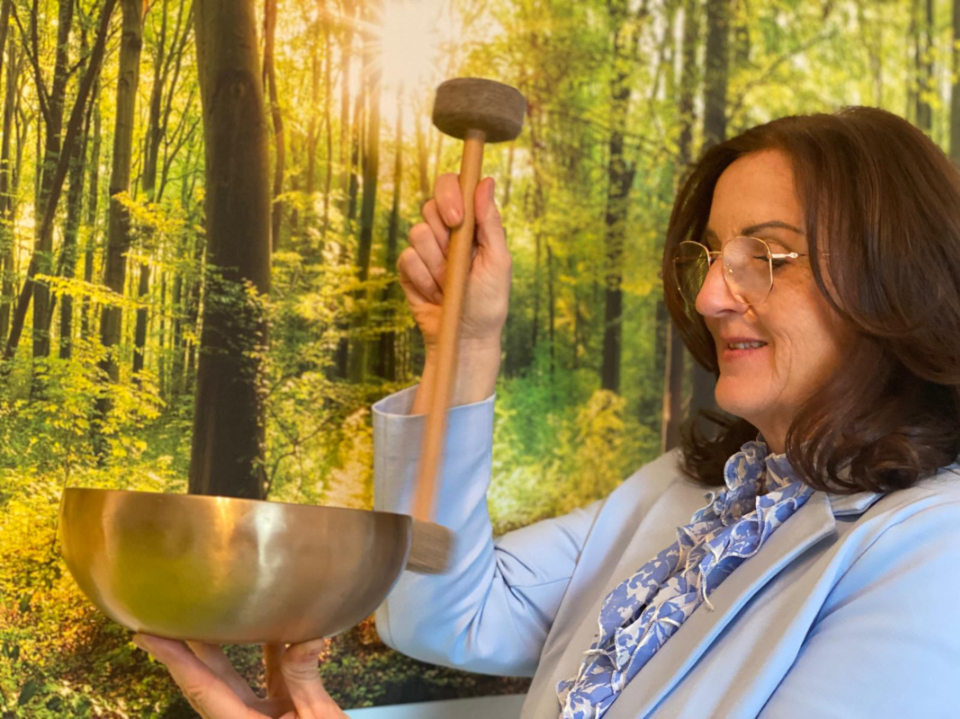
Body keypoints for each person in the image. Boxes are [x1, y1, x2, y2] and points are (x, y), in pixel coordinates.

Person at [139, 106, 960, 718]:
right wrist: (464, 347)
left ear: (895, 279)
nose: (711, 295)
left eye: (766, 255)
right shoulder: (681, 494)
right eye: (711, 256)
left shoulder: (932, 554)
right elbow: (445, 614)